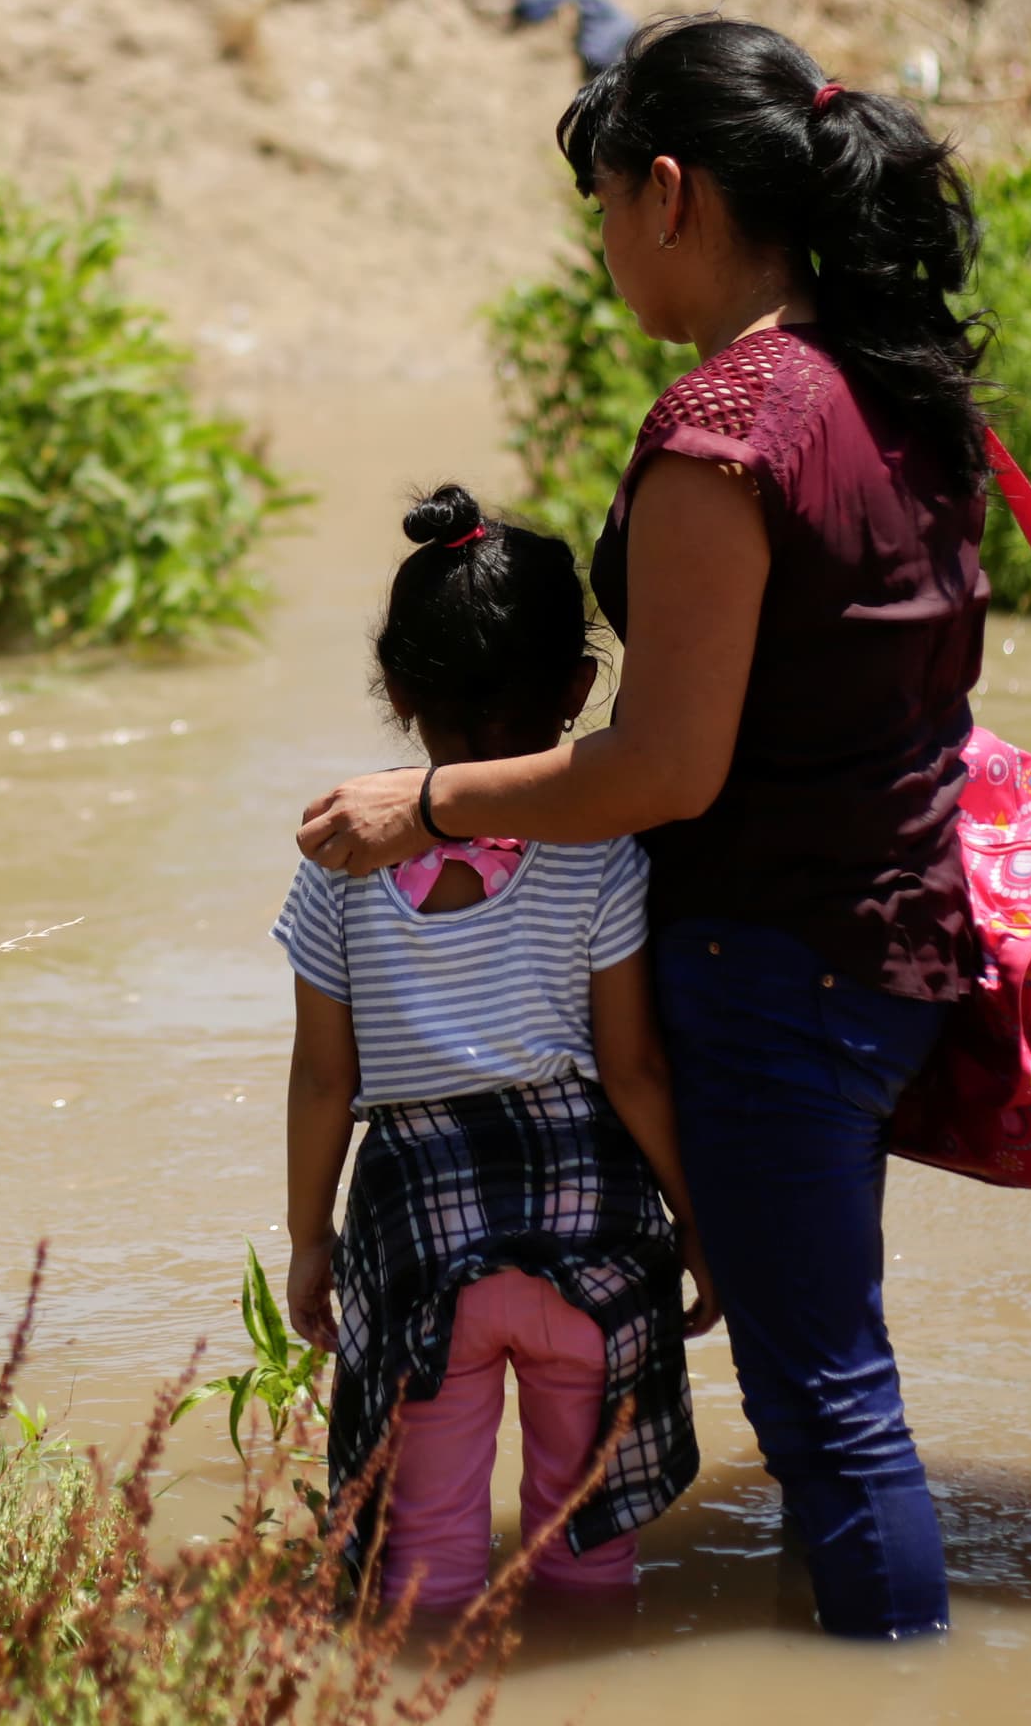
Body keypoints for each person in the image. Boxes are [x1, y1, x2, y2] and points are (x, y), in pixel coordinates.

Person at [296, 17, 990, 1642]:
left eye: (602, 203)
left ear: (666, 193)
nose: (605, 243)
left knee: (828, 1402)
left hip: (776, 977)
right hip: (896, 946)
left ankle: (895, 1671)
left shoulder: (722, 430)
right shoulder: (898, 387)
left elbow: (667, 768)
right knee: (830, 1361)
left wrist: (427, 804)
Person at [274, 483, 716, 1619]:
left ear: (399, 695)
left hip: (426, 1252)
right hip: (596, 1240)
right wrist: (700, 1229)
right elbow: (635, 1070)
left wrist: (308, 1238)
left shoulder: (340, 866)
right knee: (587, 1547)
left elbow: (325, 1080)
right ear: (579, 687)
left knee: (423, 1565)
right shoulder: (604, 853)